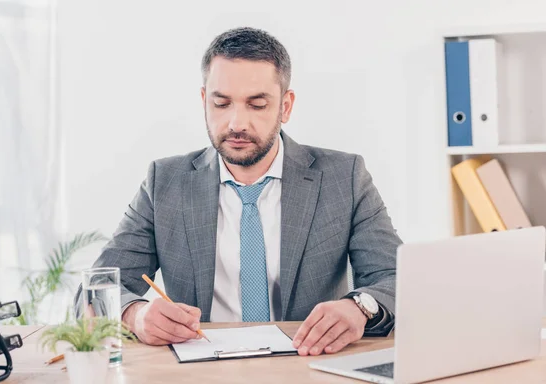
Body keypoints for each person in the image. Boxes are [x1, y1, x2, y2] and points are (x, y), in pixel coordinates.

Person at [74, 26, 401, 357]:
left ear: (286, 107)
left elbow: (398, 278)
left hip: (308, 366)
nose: (236, 123)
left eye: (257, 105)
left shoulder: (343, 177)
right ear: (204, 101)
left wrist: (361, 307)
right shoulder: (165, 182)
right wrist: (137, 314)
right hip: (199, 371)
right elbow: (93, 291)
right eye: (222, 103)